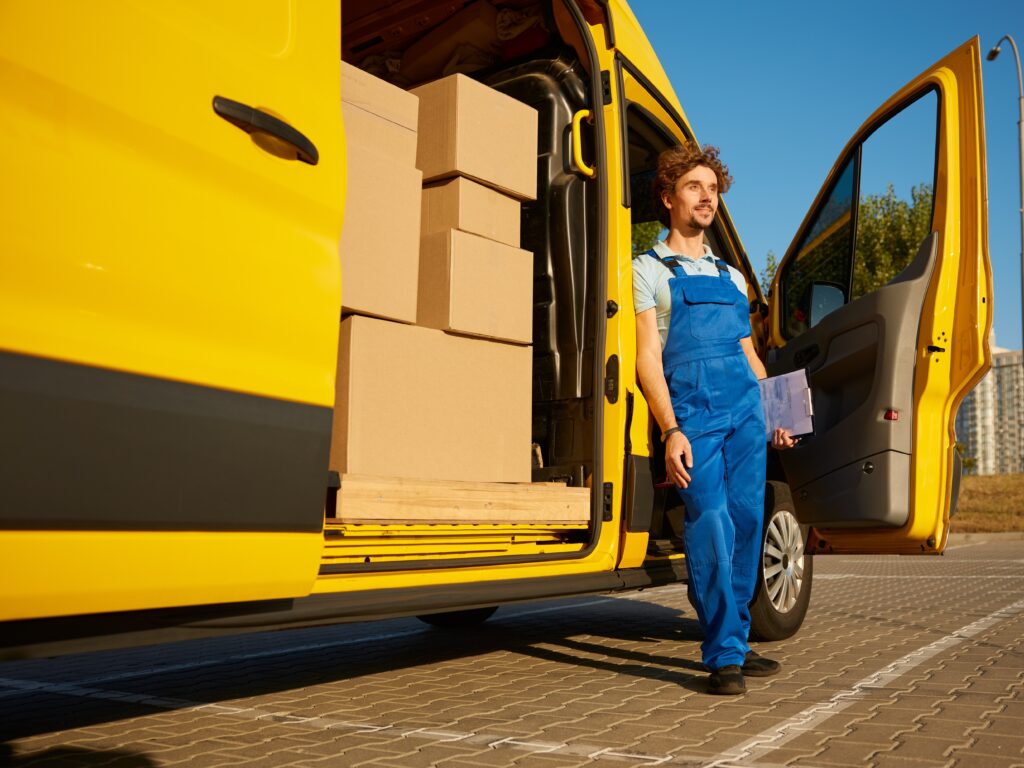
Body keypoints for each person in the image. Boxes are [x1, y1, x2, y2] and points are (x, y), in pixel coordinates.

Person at [633, 144, 797, 696]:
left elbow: (751, 357)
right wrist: (670, 428)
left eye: (713, 189)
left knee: (750, 521)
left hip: (746, 412)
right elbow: (647, 358)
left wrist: (776, 412)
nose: (707, 198)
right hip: (694, 412)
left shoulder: (733, 278)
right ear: (667, 196)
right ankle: (723, 650)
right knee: (711, 522)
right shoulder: (648, 270)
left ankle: (737, 638)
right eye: (694, 187)